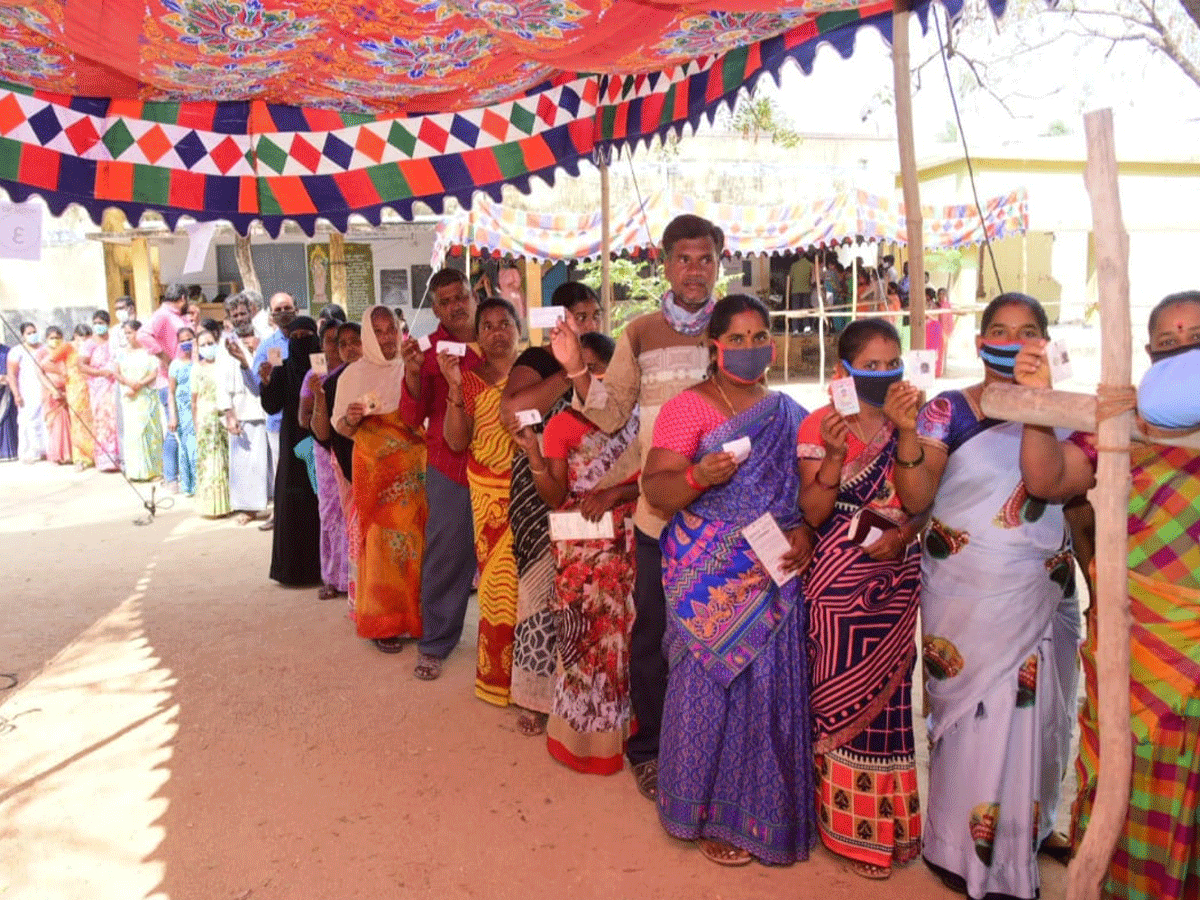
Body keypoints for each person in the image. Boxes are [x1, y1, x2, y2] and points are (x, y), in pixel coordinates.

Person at [888, 292, 1079, 900]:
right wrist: (906, 435)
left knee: (1044, 711)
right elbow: (917, 498)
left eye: (1027, 331)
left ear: (1044, 343)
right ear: (978, 342)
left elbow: (1069, 495)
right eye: (998, 330)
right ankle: (955, 848)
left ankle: (1032, 826)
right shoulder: (949, 410)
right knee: (974, 720)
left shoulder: (1067, 408)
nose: (1012, 340)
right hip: (970, 595)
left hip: (1040, 587)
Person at [1015, 290, 1200, 900]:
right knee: (1134, 790)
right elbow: (1045, 480)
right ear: (1147, 355)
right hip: (1137, 645)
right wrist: (1039, 406)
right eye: (1169, 346)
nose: (1183, 353)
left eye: (1196, 340)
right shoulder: (1125, 426)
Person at [548, 213, 723, 801]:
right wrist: (575, 367)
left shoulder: (735, 325)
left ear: (719, 262)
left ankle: (715, 744)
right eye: (683, 258)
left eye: (705, 258)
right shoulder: (639, 333)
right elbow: (612, 412)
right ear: (664, 263)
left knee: (715, 633)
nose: (694, 270)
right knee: (652, 636)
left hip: (724, 515)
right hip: (657, 514)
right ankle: (650, 748)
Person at [643, 293, 816, 866]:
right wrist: (697, 473)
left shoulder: (788, 411)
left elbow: (804, 494)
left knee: (765, 692)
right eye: (736, 338)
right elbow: (657, 491)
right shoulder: (688, 408)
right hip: (707, 575)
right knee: (703, 691)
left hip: (772, 568)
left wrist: (807, 534)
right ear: (712, 346)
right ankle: (697, 808)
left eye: (759, 336)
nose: (750, 348)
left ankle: (755, 813)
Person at [797, 319, 926, 880]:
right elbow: (813, 513)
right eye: (869, 366)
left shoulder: (918, 422)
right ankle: (843, 828)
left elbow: (922, 499)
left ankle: (891, 828)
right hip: (837, 587)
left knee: (893, 702)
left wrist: (907, 433)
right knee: (835, 702)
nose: (882, 374)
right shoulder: (819, 425)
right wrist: (830, 455)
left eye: (890, 363)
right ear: (843, 371)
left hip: (897, 575)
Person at [512, 331, 640, 773]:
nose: (590, 383)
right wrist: (533, 452)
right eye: (580, 374)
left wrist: (616, 492)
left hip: (628, 546)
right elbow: (554, 494)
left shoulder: (634, 421)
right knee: (582, 641)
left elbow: (657, 478)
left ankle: (624, 733)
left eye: (600, 373)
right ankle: (580, 740)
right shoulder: (563, 424)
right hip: (579, 553)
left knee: (624, 642)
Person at [500, 282, 605, 734]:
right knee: (541, 592)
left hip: (595, 489)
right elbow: (514, 412)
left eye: (593, 315)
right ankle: (534, 696)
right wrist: (569, 370)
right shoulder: (539, 362)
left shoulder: (608, 353)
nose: (588, 324)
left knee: (587, 593)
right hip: (540, 479)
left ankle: (582, 688)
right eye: (578, 316)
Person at [400, 269, 483, 682]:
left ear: (472, 295)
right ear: (435, 308)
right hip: (450, 467)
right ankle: (435, 643)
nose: (455, 305)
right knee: (446, 555)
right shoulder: (425, 351)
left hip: (500, 467)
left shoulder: (494, 338)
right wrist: (413, 373)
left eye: (461, 296)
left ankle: (509, 651)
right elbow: (412, 416)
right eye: (446, 300)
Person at [441, 298, 523, 707]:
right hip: (489, 495)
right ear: (477, 334)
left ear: (518, 326)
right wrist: (454, 389)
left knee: (536, 588)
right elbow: (457, 441)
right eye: (487, 325)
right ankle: (497, 680)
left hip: (533, 491)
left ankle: (533, 684)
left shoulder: (536, 372)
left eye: (504, 322)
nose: (496, 332)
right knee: (498, 586)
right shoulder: (470, 381)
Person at [333, 306, 427, 652]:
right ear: (368, 336)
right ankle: (384, 624)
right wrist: (351, 417)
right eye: (380, 331)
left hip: (414, 471)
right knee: (380, 540)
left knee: (416, 539)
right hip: (375, 472)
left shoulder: (410, 367)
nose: (388, 338)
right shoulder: (352, 376)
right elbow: (339, 429)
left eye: (392, 329)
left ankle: (415, 619)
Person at [259, 316, 322, 586]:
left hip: (320, 438)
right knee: (293, 500)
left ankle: (324, 567)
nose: (300, 342)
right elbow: (272, 407)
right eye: (294, 338)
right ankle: (293, 570)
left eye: (306, 336)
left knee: (321, 500)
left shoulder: (323, 366)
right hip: (290, 440)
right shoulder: (282, 369)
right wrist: (267, 382)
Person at [301, 319, 349, 601]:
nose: (335, 347)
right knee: (331, 513)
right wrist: (321, 400)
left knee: (354, 512)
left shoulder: (357, 372)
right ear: (321, 345)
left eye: (341, 341)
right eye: (330, 341)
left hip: (355, 447)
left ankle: (355, 577)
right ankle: (332, 576)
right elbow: (302, 416)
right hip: (326, 449)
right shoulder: (314, 376)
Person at [249, 292, 299, 531]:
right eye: (277, 310)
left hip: (307, 420)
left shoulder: (307, 338)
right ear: (271, 315)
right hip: (278, 421)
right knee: (282, 472)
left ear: (296, 309)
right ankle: (280, 515)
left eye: (286, 308)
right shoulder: (268, 346)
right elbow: (257, 381)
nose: (283, 313)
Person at [138, 283, 191, 493]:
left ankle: (187, 474)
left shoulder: (179, 316)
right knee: (173, 428)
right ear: (183, 298)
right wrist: (163, 355)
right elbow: (143, 335)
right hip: (168, 377)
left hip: (186, 376)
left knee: (187, 427)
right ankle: (171, 476)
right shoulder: (163, 314)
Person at [220, 324, 272, 525]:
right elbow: (221, 381)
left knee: (272, 465)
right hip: (243, 410)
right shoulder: (226, 346)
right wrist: (228, 412)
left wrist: (256, 350)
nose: (240, 317)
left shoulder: (266, 339)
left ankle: (274, 506)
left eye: (244, 313)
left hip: (270, 410)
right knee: (247, 463)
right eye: (236, 314)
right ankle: (249, 508)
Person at [115, 319, 163, 482]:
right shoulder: (121, 352)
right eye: (125, 333)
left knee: (149, 431)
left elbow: (155, 371)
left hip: (146, 395)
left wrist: (139, 384)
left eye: (130, 332)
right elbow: (116, 372)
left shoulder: (148, 351)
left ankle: (154, 470)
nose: (127, 336)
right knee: (133, 434)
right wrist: (130, 384)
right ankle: (135, 471)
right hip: (130, 396)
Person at [191, 329, 230, 517]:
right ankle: (209, 505)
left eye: (210, 343)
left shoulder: (225, 365)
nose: (207, 347)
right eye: (203, 345)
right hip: (206, 419)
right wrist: (196, 424)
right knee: (208, 461)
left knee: (225, 458)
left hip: (223, 416)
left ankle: (228, 502)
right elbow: (194, 400)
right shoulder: (196, 369)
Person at [79, 310, 120, 472]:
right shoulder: (89, 344)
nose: (98, 326)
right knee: (103, 420)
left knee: (117, 419)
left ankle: (119, 456)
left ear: (108, 324)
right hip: (99, 386)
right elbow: (81, 365)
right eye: (95, 323)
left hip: (115, 383)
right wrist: (101, 373)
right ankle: (105, 459)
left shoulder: (114, 340)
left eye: (101, 323)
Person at [57, 324, 96, 470]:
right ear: (75, 336)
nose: (84, 340)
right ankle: (80, 458)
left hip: (92, 388)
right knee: (78, 424)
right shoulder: (67, 347)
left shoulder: (92, 346)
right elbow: (47, 363)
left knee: (94, 422)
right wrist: (63, 372)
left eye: (87, 337)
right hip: (75, 390)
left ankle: (94, 455)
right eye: (81, 337)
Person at [7, 322, 46, 463]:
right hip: (26, 393)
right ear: (22, 335)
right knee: (28, 422)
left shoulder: (45, 348)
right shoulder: (17, 351)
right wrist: (16, 393)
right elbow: (12, 374)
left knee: (45, 421)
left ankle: (46, 451)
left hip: (44, 390)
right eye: (29, 333)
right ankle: (29, 452)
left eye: (34, 332)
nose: (32, 335)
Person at [167, 327, 198, 497]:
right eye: (182, 340)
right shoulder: (176, 365)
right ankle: (191, 485)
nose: (186, 343)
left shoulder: (201, 361)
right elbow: (171, 392)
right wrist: (173, 416)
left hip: (200, 409)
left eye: (189, 339)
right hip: (184, 411)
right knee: (189, 448)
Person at [37, 326, 71, 465]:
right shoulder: (41, 353)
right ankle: (57, 455)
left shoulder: (65, 351)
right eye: (52, 338)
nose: (55, 340)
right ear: (46, 339)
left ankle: (69, 454)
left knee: (68, 422)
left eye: (57, 338)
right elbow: (39, 373)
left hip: (67, 390)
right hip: (50, 392)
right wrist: (53, 390)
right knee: (55, 423)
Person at [0, 342, 17, 461]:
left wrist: (7, 378)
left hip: (5, 391)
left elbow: (15, 370)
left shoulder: (8, 351)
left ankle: (7, 451)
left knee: (6, 420)